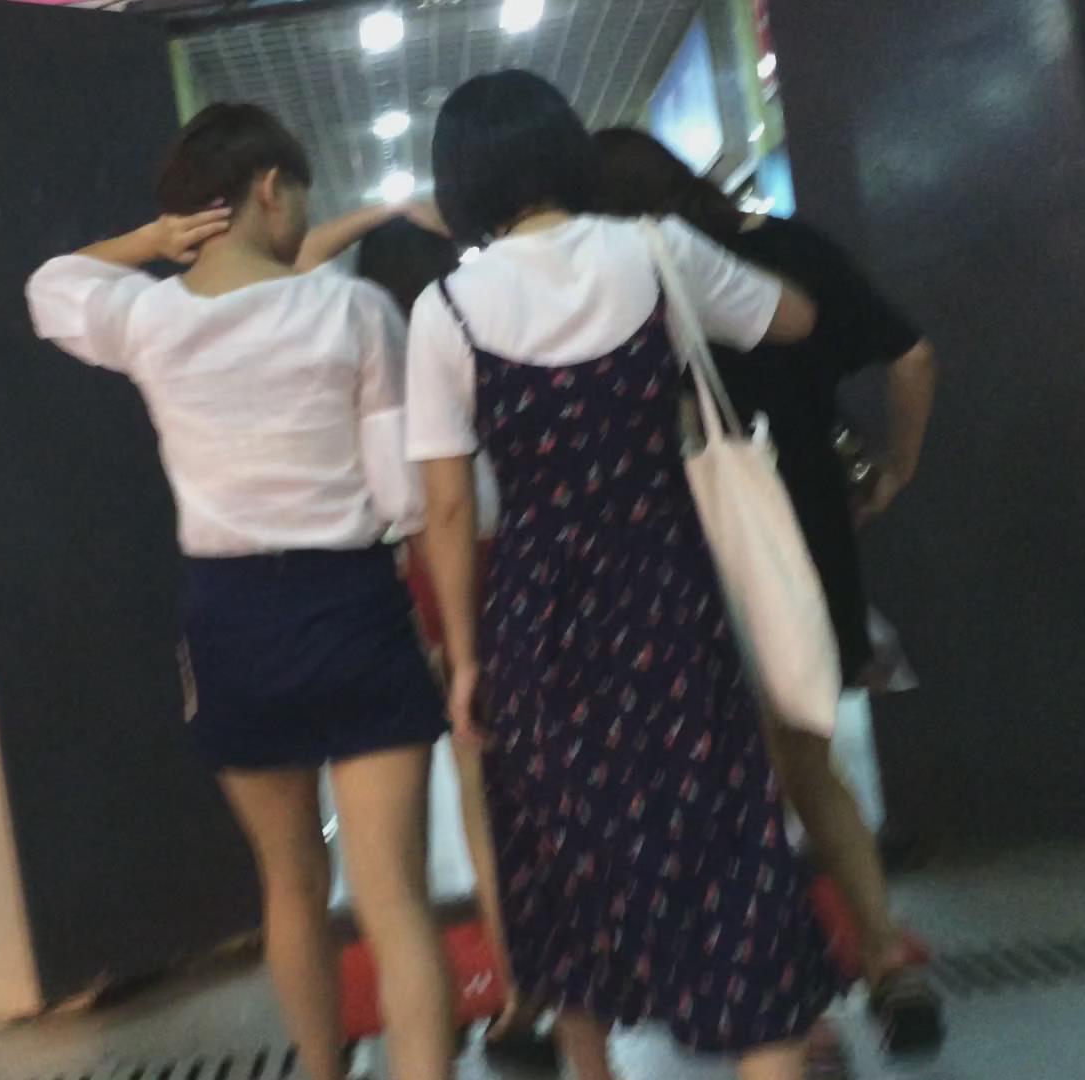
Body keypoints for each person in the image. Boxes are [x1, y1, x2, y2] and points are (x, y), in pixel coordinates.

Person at [409, 70, 837, 1080]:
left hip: (537, 614)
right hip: (666, 591)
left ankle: (590, 1059)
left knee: (565, 852)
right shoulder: (657, 250)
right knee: (724, 840)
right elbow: (793, 320)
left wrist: (465, 661)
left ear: (461, 181)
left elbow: (448, 510)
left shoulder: (446, 309)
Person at [25, 103, 454, 1080]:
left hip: (232, 621)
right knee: (393, 898)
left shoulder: (148, 319)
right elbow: (402, 497)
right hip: (353, 604)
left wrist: (153, 242)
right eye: (299, 195)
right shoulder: (353, 311)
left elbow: (52, 284)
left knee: (290, 884)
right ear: (270, 188)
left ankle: (321, 1068)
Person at [591, 126, 943, 1056]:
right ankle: (886, 957)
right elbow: (911, 356)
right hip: (806, 541)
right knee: (809, 764)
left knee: (730, 788)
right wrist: (897, 467)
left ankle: (798, 1015)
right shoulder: (788, 247)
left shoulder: (622, 279)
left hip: (689, 554)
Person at [353, 217, 557, 1069]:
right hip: (528, 557)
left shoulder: (382, 365)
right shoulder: (486, 329)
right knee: (543, 782)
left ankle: (527, 989)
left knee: (482, 792)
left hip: (444, 570)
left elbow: (410, 505)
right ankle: (570, 976)